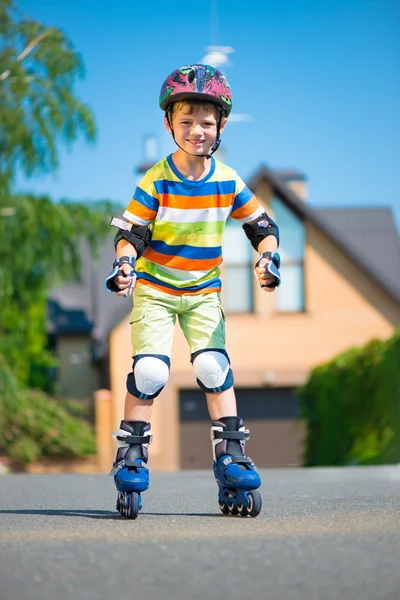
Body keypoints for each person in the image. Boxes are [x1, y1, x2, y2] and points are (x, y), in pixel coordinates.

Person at [105, 64, 281, 519]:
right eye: (186, 122)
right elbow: (133, 232)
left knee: (211, 365)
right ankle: (131, 454)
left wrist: (268, 257)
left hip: (204, 292)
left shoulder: (227, 180)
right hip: (157, 290)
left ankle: (232, 456)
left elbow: (261, 225)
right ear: (169, 125)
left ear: (221, 125)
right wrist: (124, 264)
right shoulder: (156, 179)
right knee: (149, 373)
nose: (197, 131)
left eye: (206, 122)